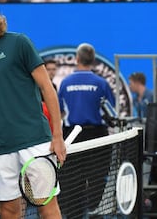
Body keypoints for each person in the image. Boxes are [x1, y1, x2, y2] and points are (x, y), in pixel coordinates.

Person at [0, 0, 66, 219]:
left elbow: (47, 89)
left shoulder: (19, 43)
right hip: (2, 147)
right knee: (8, 211)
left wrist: (57, 136)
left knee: (47, 207)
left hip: (36, 140)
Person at [57, 43, 115, 217]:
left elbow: (60, 111)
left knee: (73, 179)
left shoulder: (65, 83)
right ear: (93, 60)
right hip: (97, 136)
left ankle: (75, 213)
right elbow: (110, 110)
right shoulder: (101, 83)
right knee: (98, 176)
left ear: (77, 59)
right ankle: (93, 209)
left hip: (72, 136)